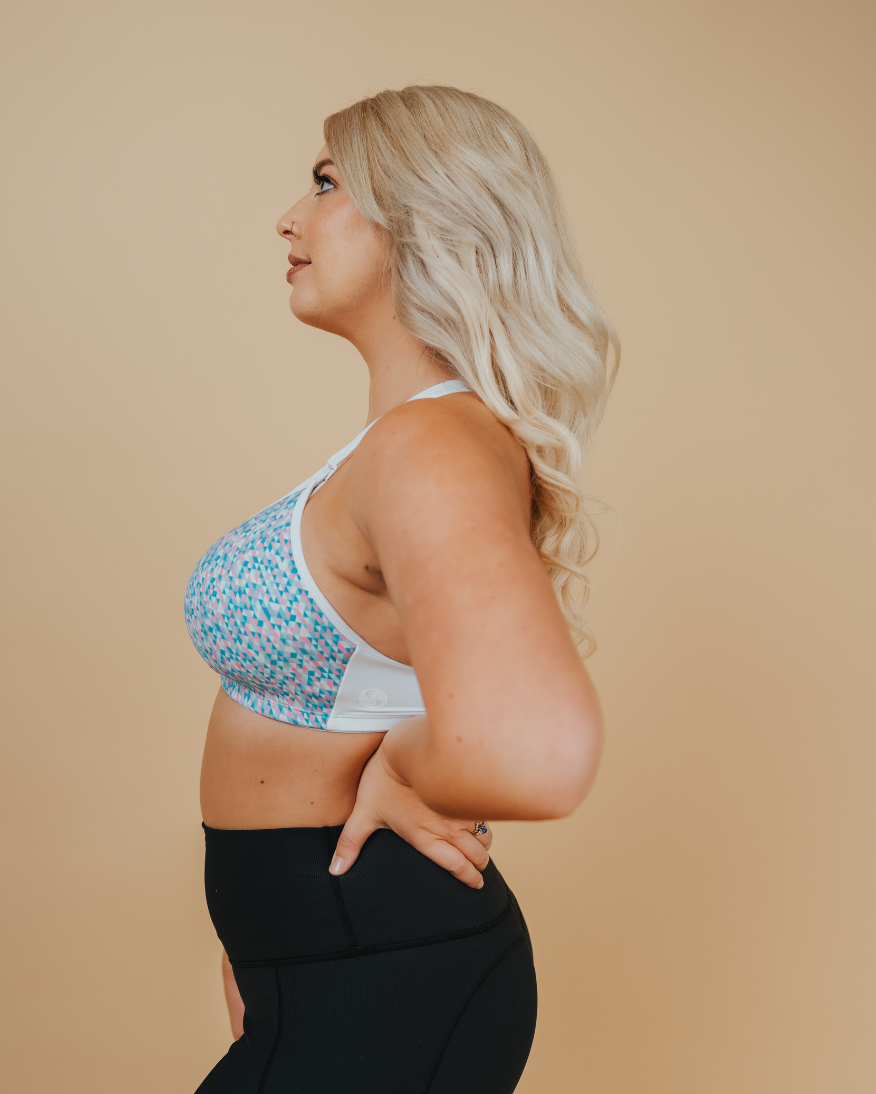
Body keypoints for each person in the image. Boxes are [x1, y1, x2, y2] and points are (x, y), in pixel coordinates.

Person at [184, 84, 618, 1094]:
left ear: (425, 219)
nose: (290, 216)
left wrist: (409, 769)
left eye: (327, 182)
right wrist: (267, 942)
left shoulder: (430, 444)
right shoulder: (405, 440)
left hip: (380, 966)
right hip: (326, 956)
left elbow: (535, 750)